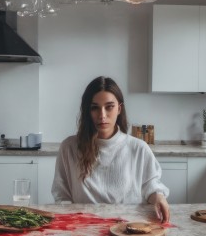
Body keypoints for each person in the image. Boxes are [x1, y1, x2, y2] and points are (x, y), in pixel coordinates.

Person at [52, 76, 170, 223]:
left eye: (109, 107)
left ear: (119, 109)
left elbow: (151, 186)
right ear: (87, 111)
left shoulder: (138, 148)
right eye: (95, 107)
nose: (102, 115)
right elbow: (62, 195)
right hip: (83, 227)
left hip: (128, 227)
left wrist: (159, 197)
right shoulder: (69, 148)